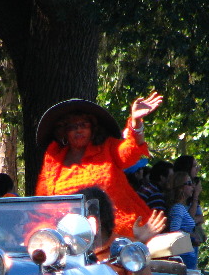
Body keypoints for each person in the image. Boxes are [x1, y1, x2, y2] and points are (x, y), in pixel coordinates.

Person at [35, 93, 162, 237]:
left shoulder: (107, 148)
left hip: (123, 235)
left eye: (84, 125)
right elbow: (43, 206)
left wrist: (136, 122)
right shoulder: (53, 159)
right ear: (63, 132)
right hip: (71, 240)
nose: (79, 130)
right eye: (72, 127)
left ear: (93, 128)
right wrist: (41, 234)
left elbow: (130, 151)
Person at [166, 171, 200, 269]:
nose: (192, 187)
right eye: (189, 183)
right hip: (183, 256)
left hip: (187, 254)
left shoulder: (182, 208)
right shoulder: (178, 208)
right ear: (180, 187)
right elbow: (174, 231)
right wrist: (192, 237)